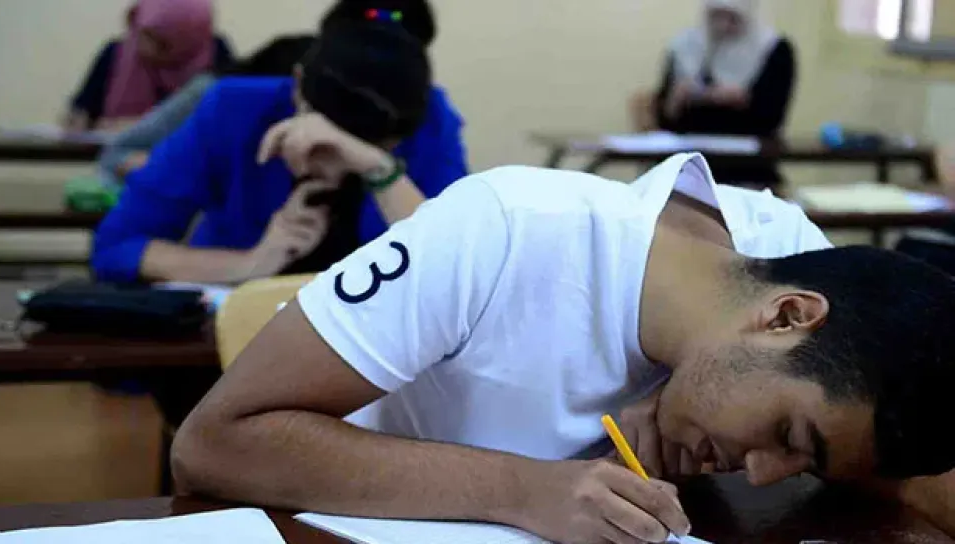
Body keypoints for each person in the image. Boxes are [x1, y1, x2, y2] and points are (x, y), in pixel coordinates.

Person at [170, 149, 955, 542]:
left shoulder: (789, 249)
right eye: (785, 434)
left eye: (800, 461)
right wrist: (528, 490)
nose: (759, 472)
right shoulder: (503, 230)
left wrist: (680, 386)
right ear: (784, 317)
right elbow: (212, 444)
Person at [97, 0, 439, 184]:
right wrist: (182, 168)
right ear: (299, 83)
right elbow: (121, 243)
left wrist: (379, 170)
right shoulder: (229, 97)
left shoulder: (421, 107)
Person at [655, 0, 795, 188]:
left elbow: (770, 121)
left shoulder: (773, 50)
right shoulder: (684, 48)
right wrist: (676, 100)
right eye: (716, 16)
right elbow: (665, 120)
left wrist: (743, 100)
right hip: (686, 168)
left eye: (732, 18)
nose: (722, 26)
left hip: (747, 171)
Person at [63, 0, 233, 132]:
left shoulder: (215, 54)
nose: (144, 47)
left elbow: (228, 118)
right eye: (143, 33)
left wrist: (143, 127)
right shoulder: (116, 53)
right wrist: (77, 121)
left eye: (158, 39)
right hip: (121, 162)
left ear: (189, 36)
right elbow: (80, 112)